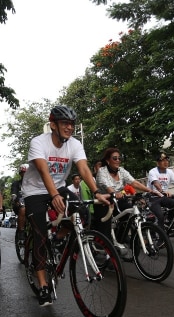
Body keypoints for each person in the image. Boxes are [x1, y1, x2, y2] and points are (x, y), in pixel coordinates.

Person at [22, 105, 109, 306]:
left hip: (59, 187)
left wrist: (96, 192)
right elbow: (44, 172)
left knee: (83, 212)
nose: (69, 128)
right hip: (35, 191)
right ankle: (43, 285)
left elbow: (84, 169)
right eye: (65, 124)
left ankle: (59, 238)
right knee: (40, 236)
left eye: (71, 124)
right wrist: (53, 196)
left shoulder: (75, 144)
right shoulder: (38, 142)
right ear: (53, 125)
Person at [94, 148, 161, 249]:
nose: (118, 160)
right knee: (106, 228)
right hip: (104, 202)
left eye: (119, 158)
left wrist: (150, 191)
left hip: (118, 200)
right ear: (108, 160)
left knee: (130, 213)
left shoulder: (122, 171)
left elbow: (134, 183)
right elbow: (109, 188)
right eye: (115, 158)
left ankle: (121, 238)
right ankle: (108, 252)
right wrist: (115, 193)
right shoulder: (102, 172)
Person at [11, 164, 29, 242]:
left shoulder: (35, 183)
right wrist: (15, 200)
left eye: (27, 173)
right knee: (23, 208)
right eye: (22, 173)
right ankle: (21, 231)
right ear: (20, 174)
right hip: (19, 204)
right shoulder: (16, 183)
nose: (24, 175)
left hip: (32, 203)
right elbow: (14, 194)